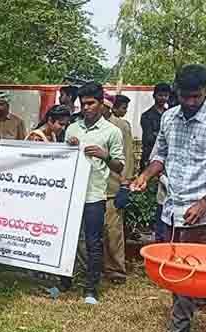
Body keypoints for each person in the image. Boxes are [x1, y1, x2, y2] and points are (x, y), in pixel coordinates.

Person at [130, 64, 206, 332]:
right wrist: (145, 176)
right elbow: (159, 155)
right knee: (172, 271)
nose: (191, 102)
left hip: (199, 211)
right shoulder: (169, 117)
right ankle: (179, 331)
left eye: (197, 96)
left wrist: (205, 202)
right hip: (170, 206)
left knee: (187, 274)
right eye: (186, 96)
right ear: (177, 91)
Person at [59, 83, 124, 304]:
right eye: (83, 103)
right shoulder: (72, 128)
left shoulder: (112, 131)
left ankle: (91, 289)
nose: (86, 108)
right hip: (71, 194)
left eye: (90, 103)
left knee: (93, 242)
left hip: (94, 195)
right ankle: (65, 282)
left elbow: (119, 166)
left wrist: (104, 155)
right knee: (68, 238)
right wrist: (69, 146)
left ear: (100, 103)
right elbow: (62, 159)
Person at [102, 94, 135, 284]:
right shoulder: (83, 126)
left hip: (113, 186)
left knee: (113, 231)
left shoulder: (121, 126)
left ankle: (115, 270)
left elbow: (128, 157)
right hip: (91, 187)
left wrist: (125, 185)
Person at [140, 83, 171, 170]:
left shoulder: (171, 115)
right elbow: (148, 138)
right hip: (150, 155)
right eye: (160, 95)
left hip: (168, 157)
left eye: (166, 95)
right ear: (154, 96)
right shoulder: (146, 116)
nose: (163, 98)